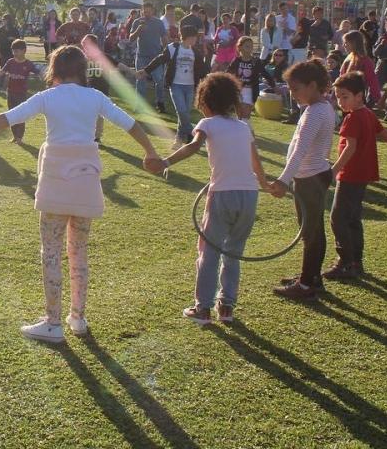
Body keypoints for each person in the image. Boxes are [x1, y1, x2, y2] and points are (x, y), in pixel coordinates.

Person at [0, 45, 166, 342]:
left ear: (55, 69)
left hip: (56, 183)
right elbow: (131, 125)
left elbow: (5, 119)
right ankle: (77, 317)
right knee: (79, 252)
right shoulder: (95, 97)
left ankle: (53, 322)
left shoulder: (47, 97)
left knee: (51, 251)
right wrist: (150, 152)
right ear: (81, 69)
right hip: (86, 182)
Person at [161, 73, 276, 324]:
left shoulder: (208, 124)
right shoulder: (244, 127)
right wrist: (265, 184)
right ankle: (226, 307)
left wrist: (166, 162)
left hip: (222, 194)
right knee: (234, 251)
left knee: (209, 251)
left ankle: (202, 308)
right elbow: (256, 160)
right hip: (249, 195)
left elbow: (193, 147)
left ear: (205, 101)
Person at [323, 72, 387, 280]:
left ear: (359, 95)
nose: (340, 101)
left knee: (338, 218)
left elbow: (350, 148)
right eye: (337, 96)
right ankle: (355, 262)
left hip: (350, 176)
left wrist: (334, 170)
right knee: (353, 218)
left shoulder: (353, 118)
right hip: (362, 176)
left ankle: (345, 262)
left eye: (345, 96)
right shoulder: (369, 114)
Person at [269, 60, 336, 300]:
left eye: (296, 88)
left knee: (311, 232)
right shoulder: (317, 108)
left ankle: (307, 284)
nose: (292, 93)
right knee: (312, 230)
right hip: (311, 175)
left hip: (310, 178)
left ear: (313, 85)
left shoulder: (316, 112)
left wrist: (284, 179)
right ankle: (312, 277)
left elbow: (300, 150)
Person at [138, 20, 208, 147]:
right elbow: (159, 60)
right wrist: (146, 70)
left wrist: (208, 79)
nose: (196, 40)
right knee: (181, 111)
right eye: (194, 37)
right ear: (188, 37)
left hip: (190, 86)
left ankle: (178, 140)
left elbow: (202, 69)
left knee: (185, 113)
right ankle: (193, 134)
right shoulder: (173, 48)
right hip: (176, 85)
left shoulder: (196, 52)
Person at [0, 38, 44, 144]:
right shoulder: (10, 62)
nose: (14, 53)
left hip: (21, 94)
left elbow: (39, 73)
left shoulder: (28, 64)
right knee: (12, 115)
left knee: (21, 115)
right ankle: (15, 136)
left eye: (17, 51)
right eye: (13, 51)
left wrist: (47, 79)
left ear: (24, 51)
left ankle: (20, 137)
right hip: (11, 93)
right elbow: (1, 72)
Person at [130, 3, 169, 113]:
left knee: (159, 80)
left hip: (156, 57)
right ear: (141, 11)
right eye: (144, 11)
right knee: (140, 81)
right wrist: (139, 29)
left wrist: (167, 50)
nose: (146, 13)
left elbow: (164, 37)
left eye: (148, 11)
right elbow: (131, 38)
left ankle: (160, 103)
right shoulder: (137, 22)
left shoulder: (158, 22)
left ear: (153, 11)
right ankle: (140, 105)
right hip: (141, 56)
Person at [227, 36, 274, 120]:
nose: (250, 48)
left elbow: (265, 73)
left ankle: (247, 131)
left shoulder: (256, 61)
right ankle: (245, 131)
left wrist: (274, 85)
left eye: (251, 46)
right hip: (238, 90)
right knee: (239, 115)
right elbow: (228, 73)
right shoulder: (236, 60)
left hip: (250, 90)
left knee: (245, 115)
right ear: (240, 47)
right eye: (247, 46)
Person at [340, 30, 381, 105]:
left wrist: (377, 96)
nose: (344, 45)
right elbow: (341, 77)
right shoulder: (348, 59)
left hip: (357, 99)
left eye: (346, 43)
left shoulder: (365, 61)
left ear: (354, 43)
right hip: (345, 97)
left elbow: (372, 80)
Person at [0, 13, 22, 82]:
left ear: (9, 20)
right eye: (3, 19)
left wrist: (13, 38)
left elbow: (19, 41)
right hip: (3, 51)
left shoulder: (14, 29)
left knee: (12, 68)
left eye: (5, 20)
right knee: (3, 68)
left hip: (12, 52)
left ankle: (12, 82)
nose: (3, 21)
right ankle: (1, 83)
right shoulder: (0, 30)